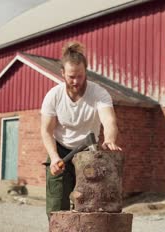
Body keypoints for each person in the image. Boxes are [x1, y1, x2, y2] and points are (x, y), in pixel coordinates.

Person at [40, 41, 122, 219]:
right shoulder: (53, 96)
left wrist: (109, 139)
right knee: (56, 207)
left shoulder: (99, 93)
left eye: (80, 76)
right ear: (62, 73)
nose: (76, 81)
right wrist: (54, 157)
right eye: (71, 77)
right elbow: (46, 131)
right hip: (60, 152)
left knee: (89, 203)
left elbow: (109, 120)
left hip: (88, 153)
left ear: (86, 72)